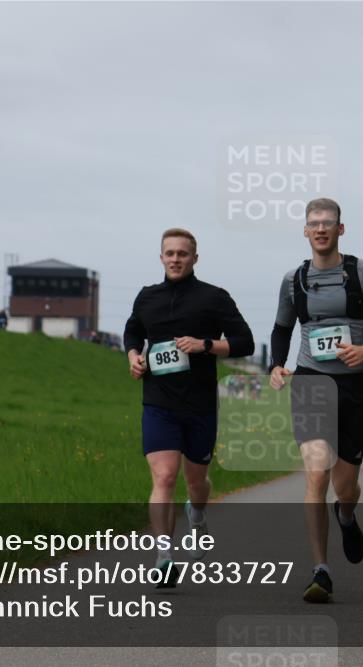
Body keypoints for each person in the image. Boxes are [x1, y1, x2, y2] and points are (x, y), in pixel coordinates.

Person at [269, 198, 363, 603]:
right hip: (311, 380)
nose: (321, 229)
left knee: (346, 486)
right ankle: (321, 570)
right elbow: (281, 329)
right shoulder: (293, 280)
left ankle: (346, 515)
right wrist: (277, 364)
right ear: (305, 230)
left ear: (340, 229)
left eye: (328, 223)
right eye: (314, 223)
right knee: (316, 474)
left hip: (355, 386)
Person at [124, 228, 255, 587]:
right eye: (170, 253)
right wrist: (133, 356)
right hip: (159, 402)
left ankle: (196, 513)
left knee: (196, 482)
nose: (176, 259)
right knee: (164, 477)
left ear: (195, 258)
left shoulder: (214, 297)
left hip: (199, 406)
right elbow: (133, 332)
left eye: (183, 253)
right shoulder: (147, 297)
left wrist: (205, 344)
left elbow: (245, 342)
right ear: (161, 257)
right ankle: (164, 558)